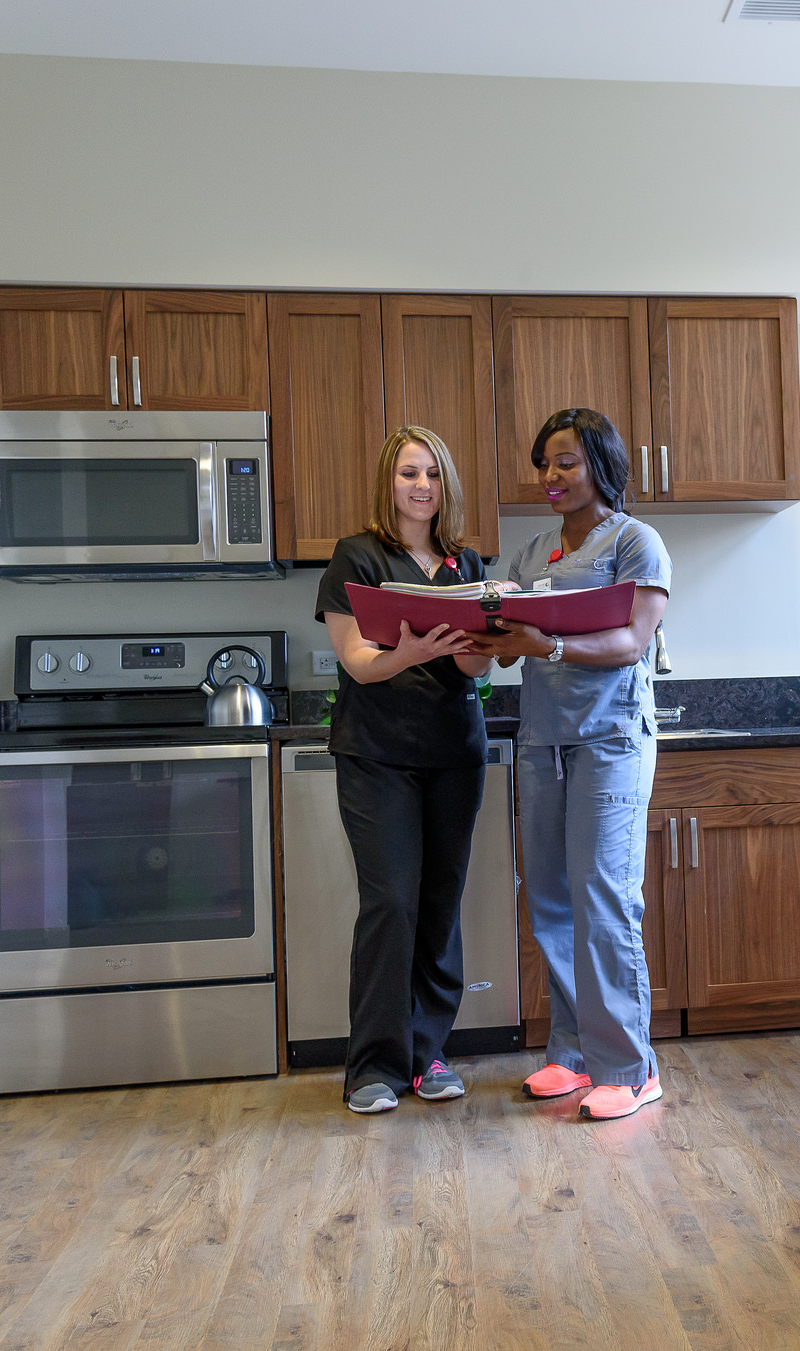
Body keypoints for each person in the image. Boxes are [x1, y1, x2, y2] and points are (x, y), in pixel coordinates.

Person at [467, 407, 672, 1121]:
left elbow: (631, 640)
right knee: (551, 898)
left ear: (600, 465)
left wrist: (544, 645)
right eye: (544, 463)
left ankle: (630, 1066)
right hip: (542, 739)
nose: (551, 476)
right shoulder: (530, 556)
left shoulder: (636, 543)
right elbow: (506, 637)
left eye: (566, 462)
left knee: (604, 898)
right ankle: (575, 1054)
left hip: (610, 741)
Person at [316, 426, 496, 1115]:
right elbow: (359, 661)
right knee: (391, 901)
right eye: (408, 473)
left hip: (454, 754)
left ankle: (428, 1053)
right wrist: (412, 649)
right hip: (377, 753)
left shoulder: (466, 562)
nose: (421, 486)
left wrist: (479, 638)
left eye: (432, 475)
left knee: (439, 906)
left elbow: (474, 665)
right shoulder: (356, 558)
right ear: (388, 483)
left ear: (445, 486)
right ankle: (373, 1064)